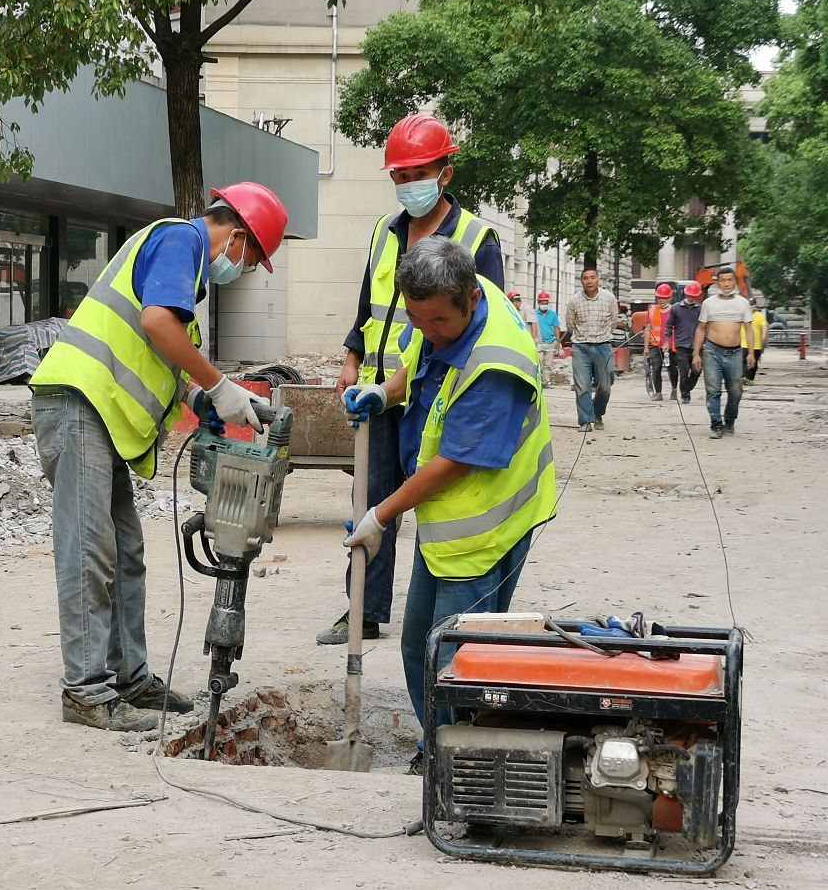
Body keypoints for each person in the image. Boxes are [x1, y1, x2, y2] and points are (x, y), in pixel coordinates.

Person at [29, 182, 288, 731]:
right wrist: (219, 385)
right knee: (90, 551)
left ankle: (130, 677)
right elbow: (155, 327)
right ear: (237, 235)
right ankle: (85, 691)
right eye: (252, 261)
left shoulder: (183, 279)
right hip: (77, 405)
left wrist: (202, 397)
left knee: (125, 552)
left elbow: (156, 358)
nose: (244, 271)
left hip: (94, 414)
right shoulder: (180, 241)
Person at [340, 236, 555, 772]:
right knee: (419, 646)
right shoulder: (441, 302)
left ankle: (462, 762)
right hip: (448, 525)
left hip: (487, 526)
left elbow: (456, 461)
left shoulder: (496, 365)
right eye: (417, 318)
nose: (426, 331)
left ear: (471, 302)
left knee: (458, 659)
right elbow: (418, 361)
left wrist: (380, 516)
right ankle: (437, 742)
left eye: (438, 322)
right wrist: (384, 393)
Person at [323, 114, 503, 646]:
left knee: (433, 494)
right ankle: (363, 610)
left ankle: (438, 610)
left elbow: (484, 322)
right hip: (381, 392)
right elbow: (367, 305)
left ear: (445, 172)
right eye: (399, 176)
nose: (408, 185)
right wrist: (353, 358)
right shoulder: (386, 230)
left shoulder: (476, 237)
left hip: (434, 390)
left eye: (419, 172)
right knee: (370, 501)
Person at [694, 266, 754, 439]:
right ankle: (716, 424)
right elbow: (700, 329)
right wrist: (696, 353)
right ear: (717, 283)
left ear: (735, 282)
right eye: (723, 280)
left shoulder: (743, 303)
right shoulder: (708, 303)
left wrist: (750, 353)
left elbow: (749, 330)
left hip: (735, 353)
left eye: (729, 280)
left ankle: (730, 420)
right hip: (712, 351)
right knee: (713, 390)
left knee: (736, 390)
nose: (726, 284)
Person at [564, 266, 622, 432]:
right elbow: (570, 325)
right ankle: (585, 421)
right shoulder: (574, 301)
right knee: (582, 386)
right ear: (581, 281)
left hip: (603, 346)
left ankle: (597, 412)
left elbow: (613, 321)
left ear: (598, 279)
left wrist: (601, 336)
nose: (589, 281)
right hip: (580, 348)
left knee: (605, 386)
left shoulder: (609, 299)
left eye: (592, 277)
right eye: (585, 278)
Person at [666, 281, 704, 402]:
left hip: (696, 346)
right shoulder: (675, 308)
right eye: (689, 295)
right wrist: (667, 341)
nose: (691, 297)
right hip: (681, 345)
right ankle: (685, 395)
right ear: (685, 294)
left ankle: (686, 388)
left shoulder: (700, 310)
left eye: (694, 295)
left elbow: (704, 327)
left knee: (697, 371)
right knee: (683, 372)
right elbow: (668, 325)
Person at [644, 284, 678, 400]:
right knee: (656, 368)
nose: (661, 300)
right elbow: (648, 330)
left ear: (669, 298)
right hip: (655, 345)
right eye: (659, 297)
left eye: (663, 298)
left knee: (672, 369)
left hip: (670, 346)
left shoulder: (675, 311)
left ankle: (674, 390)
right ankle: (658, 393)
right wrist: (646, 347)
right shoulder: (652, 311)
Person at [535, 292, 562, 386]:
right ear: (538, 302)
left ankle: (545, 382)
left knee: (548, 364)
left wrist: (558, 341)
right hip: (538, 343)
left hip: (550, 342)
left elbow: (556, 327)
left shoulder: (553, 315)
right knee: (538, 363)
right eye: (542, 303)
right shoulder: (534, 314)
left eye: (545, 303)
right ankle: (537, 381)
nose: (544, 305)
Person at [741, 300, 768, 384]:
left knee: (754, 362)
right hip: (743, 343)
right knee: (742, 361)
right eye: (750, 305)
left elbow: (764, 327)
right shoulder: (742, 316)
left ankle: (750, 378)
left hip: (756, 344)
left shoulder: (760, 316)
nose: (752, 307)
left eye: (753, 305)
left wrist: (764, 338)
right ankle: (744, 376)